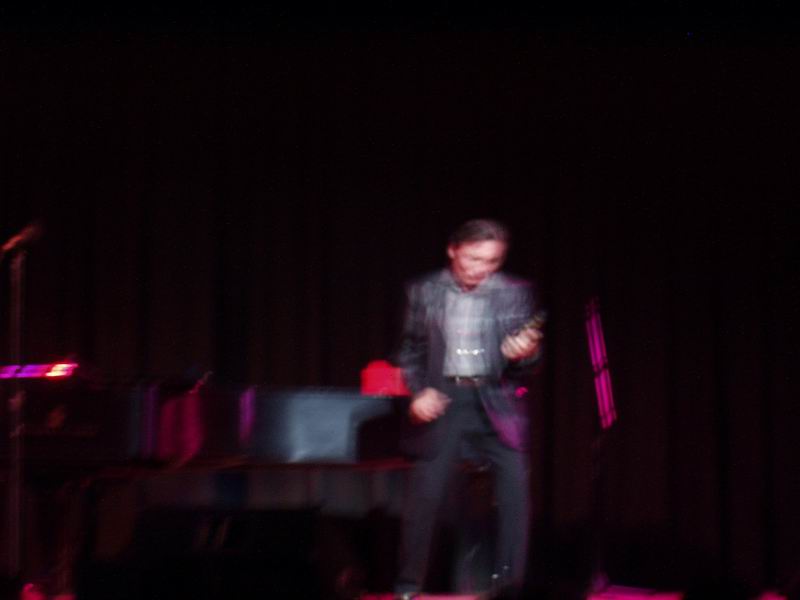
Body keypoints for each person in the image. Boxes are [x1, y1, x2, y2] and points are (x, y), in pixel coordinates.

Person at [394, 218, 543, 599]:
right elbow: (409, 352)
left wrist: (526, 353)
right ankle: (408, 588)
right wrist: (417, 392)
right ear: (453, 250)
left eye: (491, 262)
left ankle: (512, 589)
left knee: (515, 495)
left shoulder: (514, 292)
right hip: (446, 398)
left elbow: (529, 364)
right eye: (473, 259)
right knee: (424, 496)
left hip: (496, 399)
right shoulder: (424, 290)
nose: (481, 269)